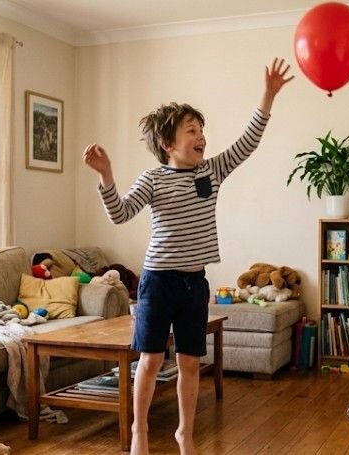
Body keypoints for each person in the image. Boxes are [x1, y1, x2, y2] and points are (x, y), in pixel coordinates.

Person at [83, 58, 293, 455]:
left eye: (202, 130)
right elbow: (120, 213)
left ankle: (185, 434)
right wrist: (106, 176)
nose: (202, 137)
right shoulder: (153, 178)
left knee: (191, 362)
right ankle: (140, 432)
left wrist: (267, 96)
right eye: (192, 130)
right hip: (158, 282)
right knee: (148, 360)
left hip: (195, 283)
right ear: (168, 144)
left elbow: (248, 142)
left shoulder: (211, 172)